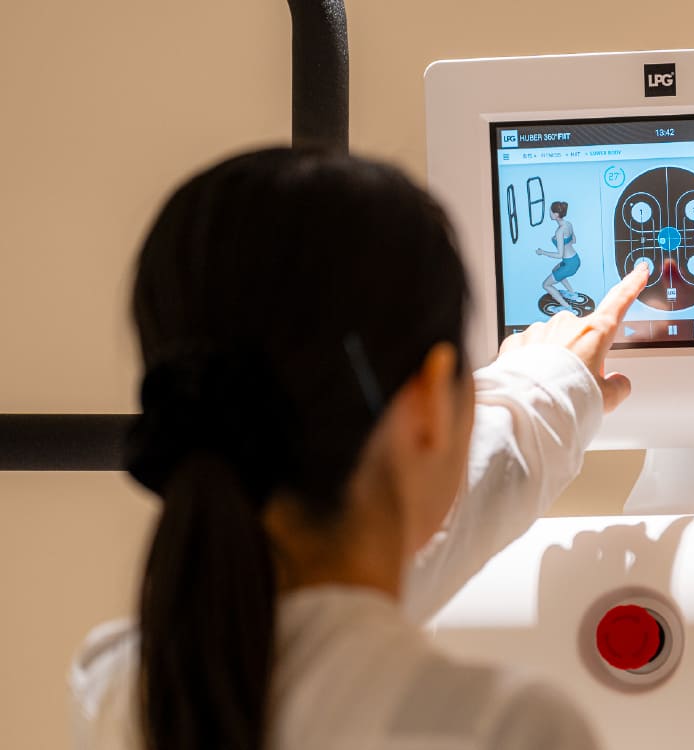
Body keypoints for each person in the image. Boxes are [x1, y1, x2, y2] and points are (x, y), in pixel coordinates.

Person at [68, 148, 650, 750]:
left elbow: (332, 618)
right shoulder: (506, 727)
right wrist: (544, 386)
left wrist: (547, 388)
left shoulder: (116, 691)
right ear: (430, 400)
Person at [535, 200, 582, 314]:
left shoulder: (560, 231)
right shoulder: (568, 224)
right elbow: (574, 240)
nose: (549, 213)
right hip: (575, 259)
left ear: (556, 214)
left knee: (546, 285)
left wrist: (542, 252)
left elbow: (559, 255)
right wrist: (561, 242)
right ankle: (572, 293)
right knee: (555, 270)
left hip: (569, 264)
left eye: (551, 212)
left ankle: (567, 307)